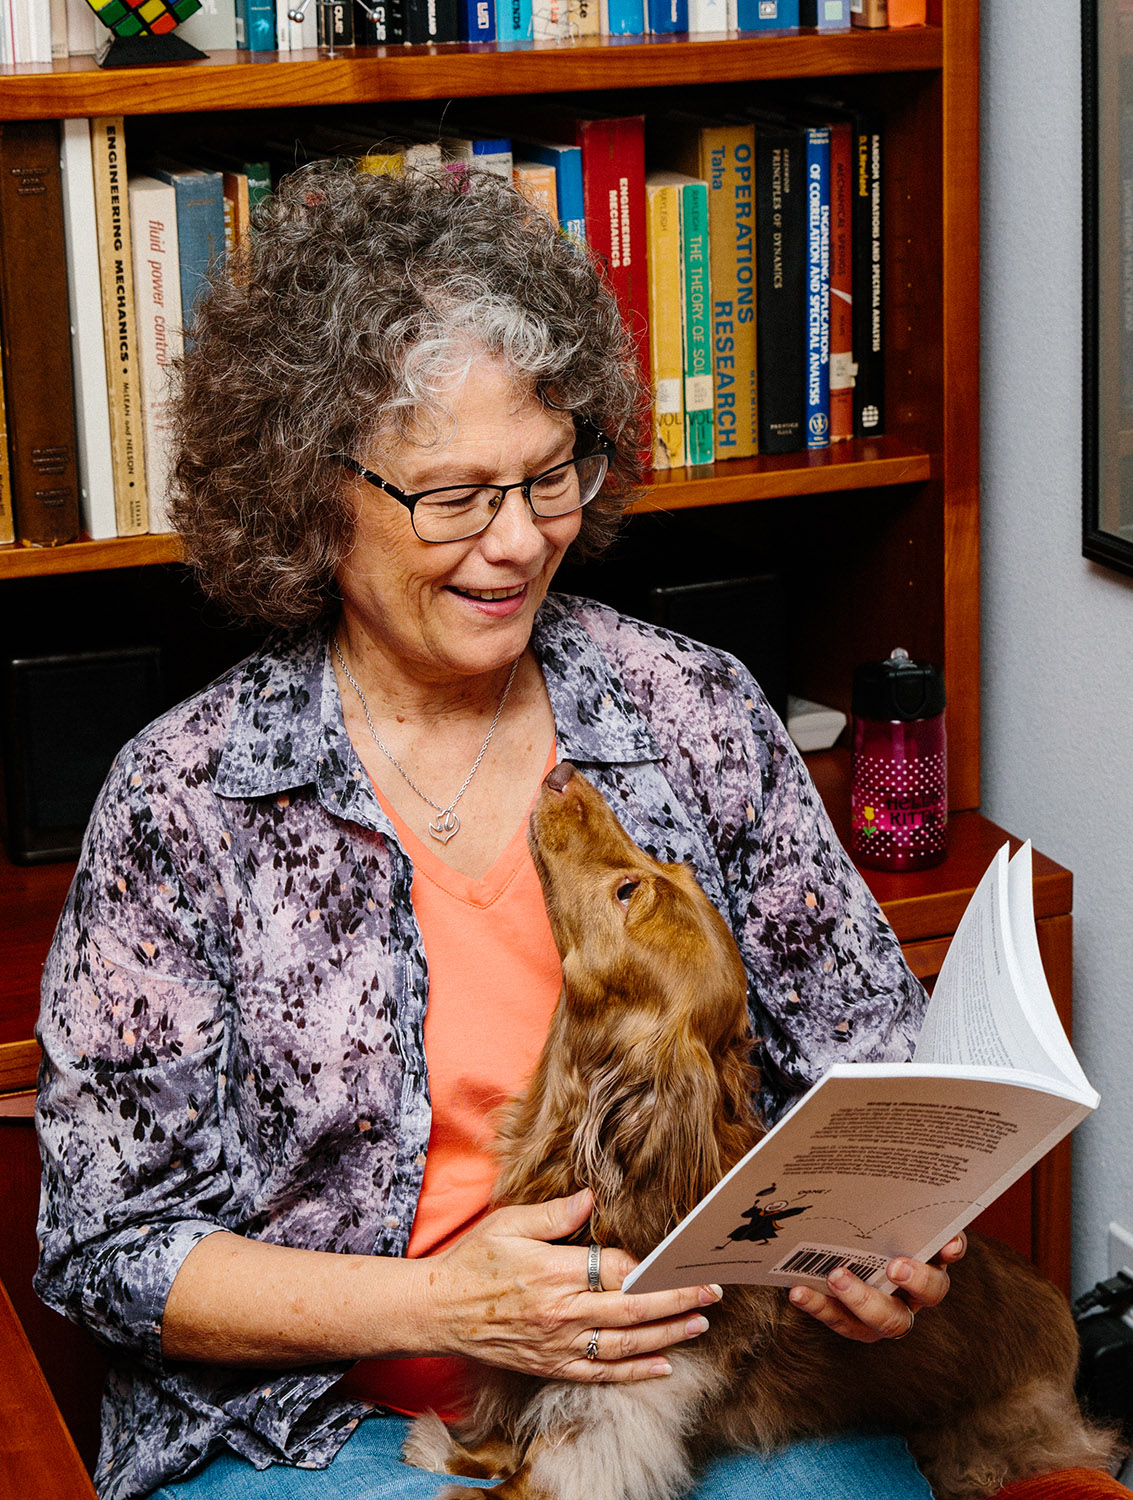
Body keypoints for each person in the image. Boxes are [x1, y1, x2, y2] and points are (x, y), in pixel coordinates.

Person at [32, 164, 964, 1500]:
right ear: (313, 496)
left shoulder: (689, 710)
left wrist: (889, 1235)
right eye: (455, 497)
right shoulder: (190, 797)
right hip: (325, 1422)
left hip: (708, 1381)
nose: (519, 543)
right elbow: (108, 1250)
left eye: (549, 477)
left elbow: (869, 1068)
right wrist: (446, 1308)